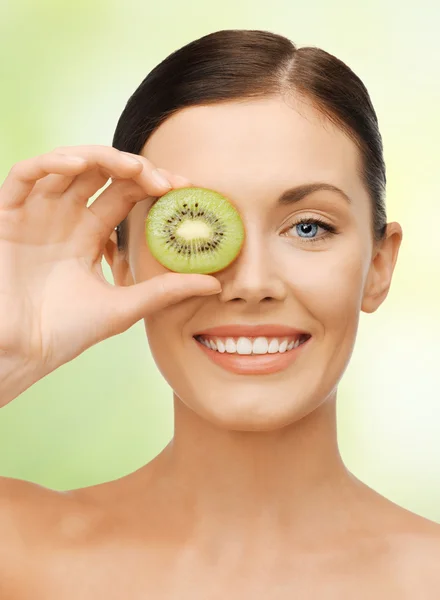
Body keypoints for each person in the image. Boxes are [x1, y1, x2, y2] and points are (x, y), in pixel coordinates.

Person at [0, 28, 439, 598]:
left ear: (378, 265)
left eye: (309, 227)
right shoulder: (18, 551)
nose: (251, 284)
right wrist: (11, 354)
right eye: (196, 222)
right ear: (121, 261)